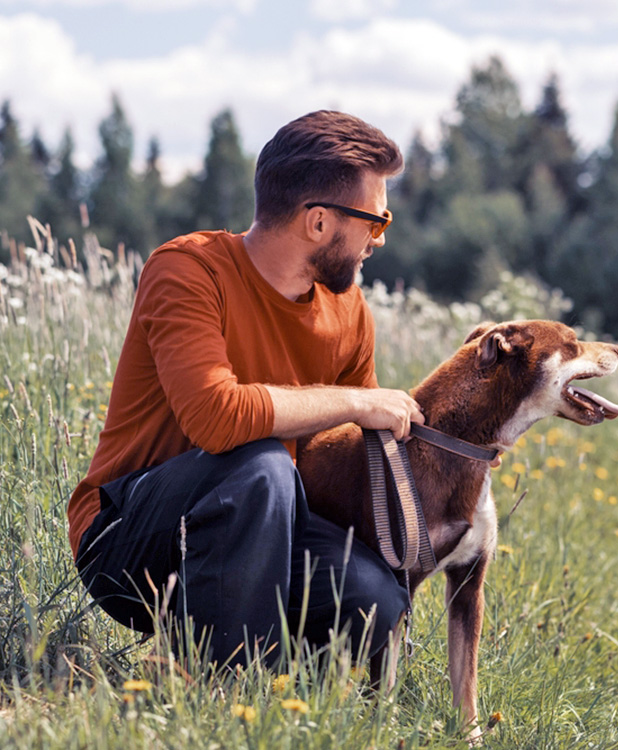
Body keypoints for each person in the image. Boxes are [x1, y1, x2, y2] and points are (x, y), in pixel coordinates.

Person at [69, 110, 425, 668]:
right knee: (262, 465)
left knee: (373, 600)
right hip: (128, 541)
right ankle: (229, 694)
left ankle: (243, 666)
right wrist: (356, 401)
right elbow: (216, 418)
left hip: (266, 525)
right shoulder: (188, 270)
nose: (377, 240)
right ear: (318, 223)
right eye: (375, 223)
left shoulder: (349, 310)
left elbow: (350, 451)